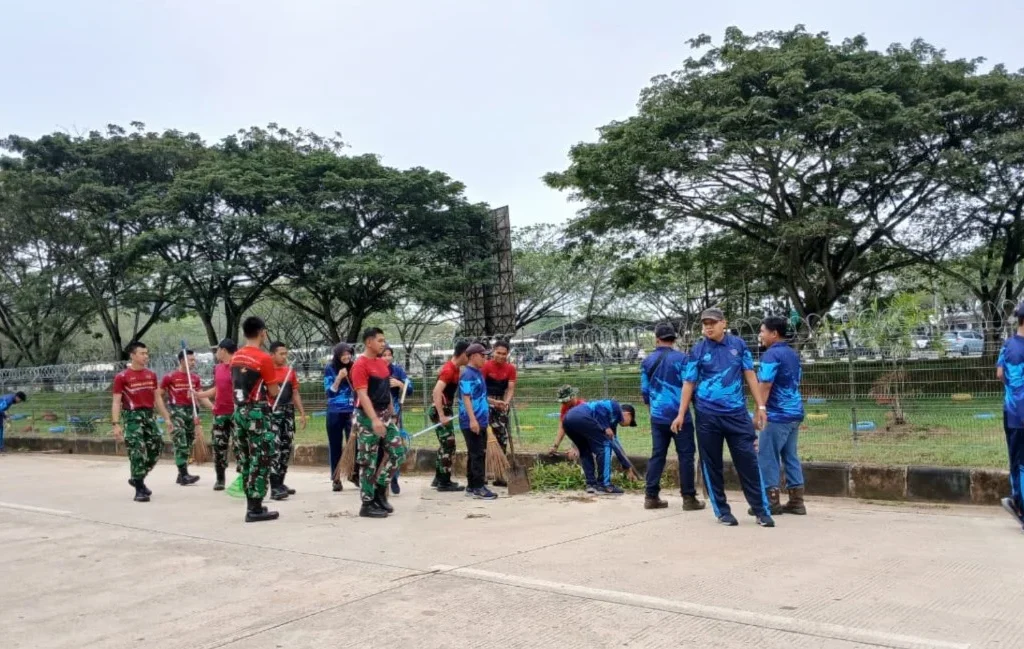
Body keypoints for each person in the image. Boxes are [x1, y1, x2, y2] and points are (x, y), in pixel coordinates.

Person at [671, 307, 774, 528]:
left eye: (713, 323)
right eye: (705, 324)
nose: (708, 327)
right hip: (707, 417)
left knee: (748, 461)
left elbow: (750, 375)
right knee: (712, 464)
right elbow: (689, 382)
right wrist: (681, 413)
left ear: (723, 323)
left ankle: (761, 511)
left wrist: (760, 406)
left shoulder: (738, 345)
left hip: (737, 415)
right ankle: (722, 512)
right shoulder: (697, 350)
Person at [641, 323, 705, 511]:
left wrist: (652, 413)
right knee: (686, 456)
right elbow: (691, 386)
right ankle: (688, 498)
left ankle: (651, 496)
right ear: (674, 339)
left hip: (658, 416)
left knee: (657, 455)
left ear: (657, 339)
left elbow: (645, 392)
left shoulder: (647, 361)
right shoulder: (683, 359)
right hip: (680, 416)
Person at [350, 327, 407, 518]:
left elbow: (386, 389)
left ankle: (380, 491)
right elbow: (362, 395)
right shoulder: (360, 365)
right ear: (369, 342)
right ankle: (367, 503)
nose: (384, 344)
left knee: (398, 452)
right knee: (368, 461)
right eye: (380, 340)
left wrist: (391, 410)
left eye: (384, 340)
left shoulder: (382, 363)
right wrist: (374, 419)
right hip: (367, 418)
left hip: (386, 416)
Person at [231, 316, 281, 523]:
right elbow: (273, 390)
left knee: (245, 458)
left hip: (239, 412)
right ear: (263, 333)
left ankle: (252, 502)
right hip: (257, 412)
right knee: (261, 458)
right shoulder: (263, 358)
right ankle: (255, 508)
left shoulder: (236, 357)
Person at [756, 316, 807, 516]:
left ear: (774, 333)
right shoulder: (793, 354)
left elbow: (765, 384)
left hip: (777, 415)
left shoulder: (771, 355)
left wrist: (760, 409)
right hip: (794, 413)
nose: (760, 335)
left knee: (767, 456)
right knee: (790, 456)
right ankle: (797, 501)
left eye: (762, 331)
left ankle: (771, 502)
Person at [111, 342, 173, 503]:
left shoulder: (150, 375)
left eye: (147, 353)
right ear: (132, 355)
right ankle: (139, 489)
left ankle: (137, 478)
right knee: (137, 451)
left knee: (157, 445)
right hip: (132, 417)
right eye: (142, 353)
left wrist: (167, 417)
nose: (146, 356)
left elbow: (157, 398)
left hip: (149, 416)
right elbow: (116, 402)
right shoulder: (122, 377)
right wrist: (116, 424)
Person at [550, 385, 637, 480]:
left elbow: (584, 430)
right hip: (588, 434)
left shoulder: (582, 406)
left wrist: (575, 446)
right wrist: (556, 446)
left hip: (592, 434)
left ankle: (598, 478)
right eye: (562, 402)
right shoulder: (565, 407)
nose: (563, 404)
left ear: (573, 397)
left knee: (601, 448)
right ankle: (594, 479)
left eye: (565, 401)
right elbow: (563, 427)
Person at [158, 349, 213, 486]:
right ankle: (184, 475)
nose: (194, 362)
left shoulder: (195, 378)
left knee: (188, 442)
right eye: (191, 360)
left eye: (194, 360)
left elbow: (201, 396)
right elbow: (158, 395)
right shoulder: (170, 377)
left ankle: (180, 475)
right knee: (180, 442)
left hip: (191, 413)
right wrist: (166, 415)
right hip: (177, 413)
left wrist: (214, 408)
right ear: (182, 361)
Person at [562, 399, 636, 495]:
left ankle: (591, 484)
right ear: (628, 414)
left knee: (585, 450)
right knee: (605, 446)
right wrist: (606, 427)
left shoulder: (611, 421)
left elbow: (615, 444)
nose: (628, 425)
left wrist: (627, 467)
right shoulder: (615, 406)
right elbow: (599, 407)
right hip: (581, 417)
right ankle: (605, 485)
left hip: (568, 420)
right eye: (631, 421)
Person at [996, 302, 1024, 530]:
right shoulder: (1016, 348)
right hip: (1019, 416)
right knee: (1021, 464)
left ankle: (1017, 502)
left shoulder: (1008, 345)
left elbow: (1000, 374)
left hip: (1013, 413)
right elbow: (1015, 384)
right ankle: (1020, 506)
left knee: (1019, 463)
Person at [197, 339, 238, 491]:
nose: (216, 353)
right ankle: (220, 478)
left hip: (236, 413)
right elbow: (217, 389)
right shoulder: (218, 368)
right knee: (218, 446)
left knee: (240, 446)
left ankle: (243, 477)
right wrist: (199, 394)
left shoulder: (238, 367)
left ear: (224, 350)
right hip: (220, 412)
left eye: (217, 350)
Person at [268, 342, 307, 500]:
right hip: (272, 412)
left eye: (286, 354)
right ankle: (274, 486)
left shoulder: (289, 371)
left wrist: (302, 413)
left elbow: (295, 393)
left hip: (288, 412)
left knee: (286, 447)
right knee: (274, 449)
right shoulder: (266, 371)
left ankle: (281, 482)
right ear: (272, 354)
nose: (284, 357)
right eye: (281, 354)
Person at [429, 341, 470, 492]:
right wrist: (441, 415)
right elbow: (436, 391)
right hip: (441, 410)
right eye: (469, 355)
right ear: (463, 354)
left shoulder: (456, 369)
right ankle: (444, 482)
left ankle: (439, 478)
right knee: (449, 445)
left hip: (445, 409)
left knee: (445, 445)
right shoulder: (449, 369)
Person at [460, 343, 497, 500]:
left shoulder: (477, 373)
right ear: (473, 356)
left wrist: (494, 402)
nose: (485, 359)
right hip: (472, 421)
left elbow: (479, 396)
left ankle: (471, 485)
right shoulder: (467, 375)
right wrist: (472, 420)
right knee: (478, 454)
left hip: (480, 419)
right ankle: (478, 487)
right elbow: (466, 398)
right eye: (483, 356)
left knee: (474, 453)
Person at [482, 340, 517, 486]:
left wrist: (506, 403)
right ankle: (483, 475)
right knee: (484, 439)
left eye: (504, 354)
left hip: (501, 404)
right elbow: (480, 389)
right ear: (493, 352)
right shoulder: (485, 366)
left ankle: (500, 475)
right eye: (498, 353)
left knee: (502, 438)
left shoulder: (510, 369)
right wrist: (491, 402)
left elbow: (510, 388)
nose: (501, 356)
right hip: (485, 402)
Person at [324, 343, 356, 492]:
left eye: (348, 353)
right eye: (343, 354)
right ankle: (336, 478)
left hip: (352, 411)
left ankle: (353, 474)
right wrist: (339, 377)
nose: (346, 356)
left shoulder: (355, 367)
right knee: (335, 445)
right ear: (337, 355)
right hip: (335, 412)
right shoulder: (330, 368)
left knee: (354, 444)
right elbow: (329, 392)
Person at [382, 345, 412, 495]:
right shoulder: (374, 370)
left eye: (390, 354)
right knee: (381, 448)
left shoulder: (397, 370)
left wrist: (400, 384)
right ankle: (380, 479)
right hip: (379, 414)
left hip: (395, 415)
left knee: (396, 446)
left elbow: (410, 388)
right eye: (384, 355)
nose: (387, 357)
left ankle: (394, 477)